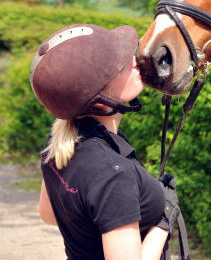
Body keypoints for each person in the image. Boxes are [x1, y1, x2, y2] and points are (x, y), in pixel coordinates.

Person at [30, 23, 177, 260]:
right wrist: (164, 221)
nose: (134, 61)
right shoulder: (114, 174)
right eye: (120, 66)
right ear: (100, 101)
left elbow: (48, 214)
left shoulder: (59, 141)